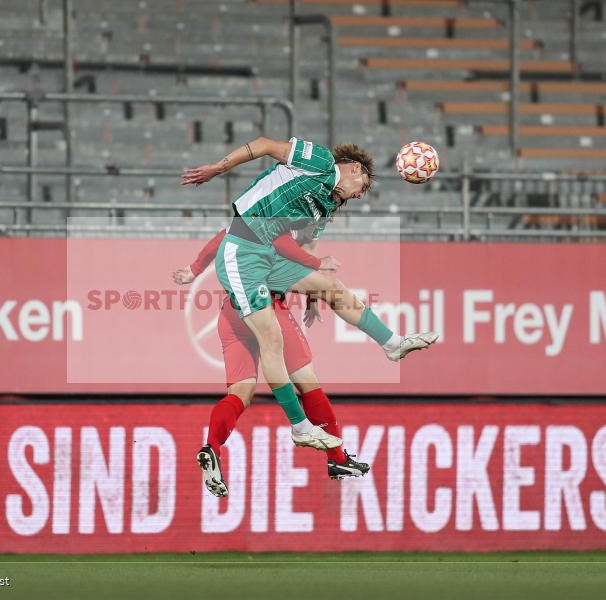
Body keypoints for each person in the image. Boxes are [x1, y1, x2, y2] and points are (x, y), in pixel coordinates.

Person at [181, 137, 439, 465]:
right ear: (355, 168)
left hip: (268, 255)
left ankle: (392, 343)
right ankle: (301, 427)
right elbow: (263, 144)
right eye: (363, 186)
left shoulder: (326, 206)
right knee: (272, 339)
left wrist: (314, 295)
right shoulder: (317, 161)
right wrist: (220, 168)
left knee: (333, 288)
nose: (361, 194)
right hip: (242, 250)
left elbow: (308, 247)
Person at [172, 227, 369, 497]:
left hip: (232, 312)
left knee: (240, 392)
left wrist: (193, 270)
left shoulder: (246, 218)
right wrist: (315, 294)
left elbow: (218, 241)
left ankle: (212, 447)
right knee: (307, 382)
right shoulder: (288, 218)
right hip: (268, 308)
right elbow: (303, 261)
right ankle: (337, 458)